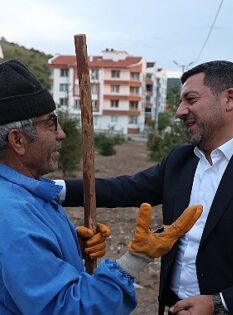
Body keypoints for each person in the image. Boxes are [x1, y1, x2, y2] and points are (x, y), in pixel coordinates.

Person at [0, 59, 202, 315]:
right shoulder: (13, 215)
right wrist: (134, 260)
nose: (61, 133)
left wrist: (68, 247)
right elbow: (70, 309)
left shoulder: (28, 197)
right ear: (17, 140)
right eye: (50, 123)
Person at [58, 60, 233, 315]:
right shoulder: (180, 160)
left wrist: (219, 303)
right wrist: (52, 189)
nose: (179, 111)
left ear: (229, 99)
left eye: (190, 99)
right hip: (174, 307)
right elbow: (123, 189)